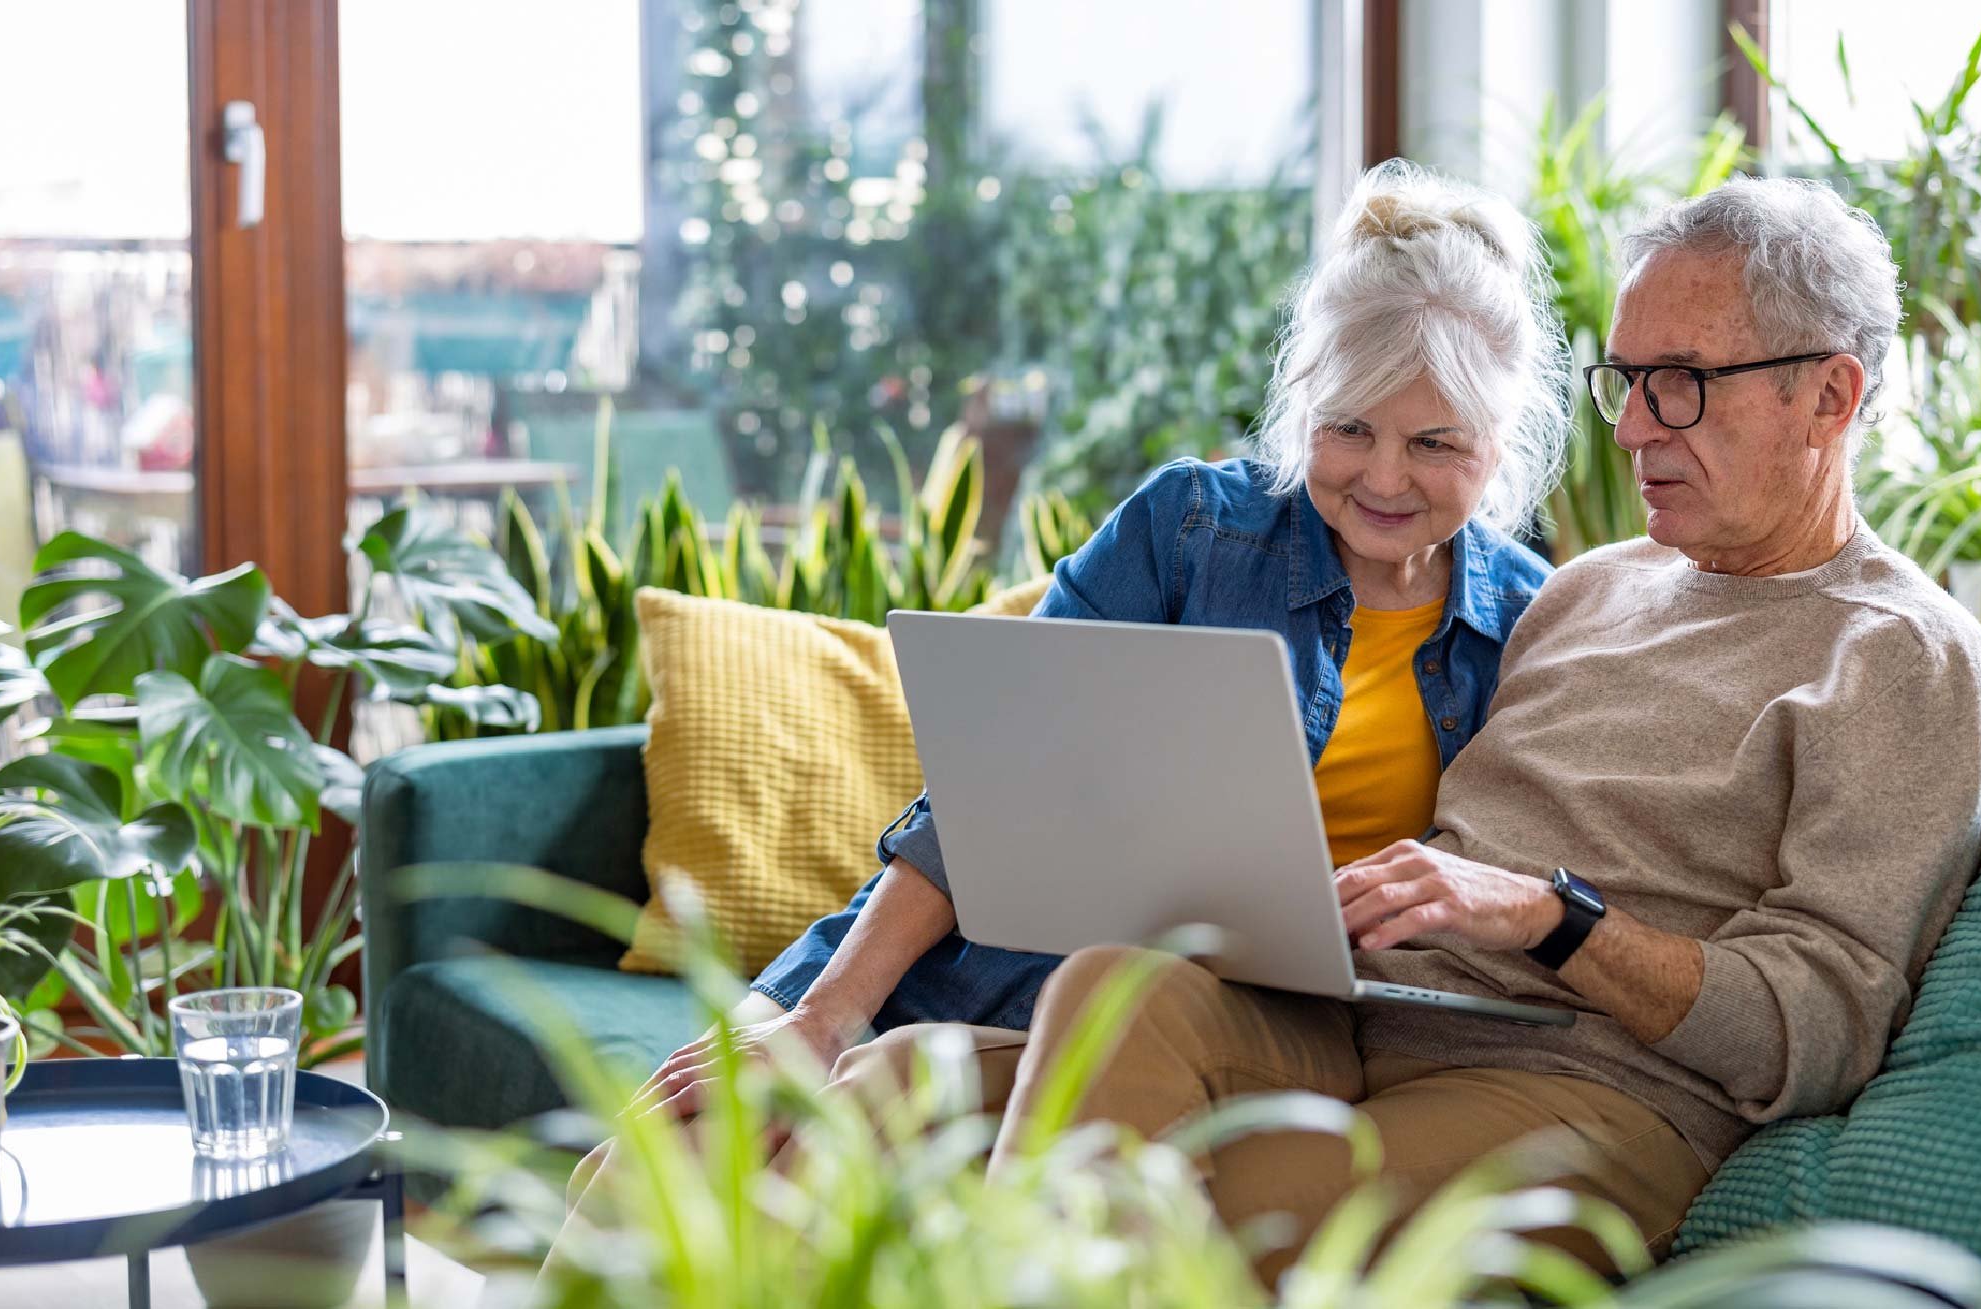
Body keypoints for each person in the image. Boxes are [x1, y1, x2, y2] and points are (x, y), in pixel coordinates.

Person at [963, 176, 1981, 1282]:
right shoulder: (1585, 592)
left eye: (1679, 386)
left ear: (1830, 396)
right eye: (1622, 382)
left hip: (1597, 1092)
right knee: (995, 1039)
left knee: (1171, 1206)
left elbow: (1818, 1031)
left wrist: (1549, 918)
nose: (1629, 429)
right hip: (1369, 1024)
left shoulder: (1904, 657)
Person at [584, 160, 1571, 1169]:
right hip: (980, 958)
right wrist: (828, 1011)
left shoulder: (1534, 621)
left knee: (804, 1165)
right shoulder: (1191, 529)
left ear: (1498, 444)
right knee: (637, 1171)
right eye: (1348, 427)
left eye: (1433, 442)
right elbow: (987, 786)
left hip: (1213, 1024)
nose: (1383, 475)